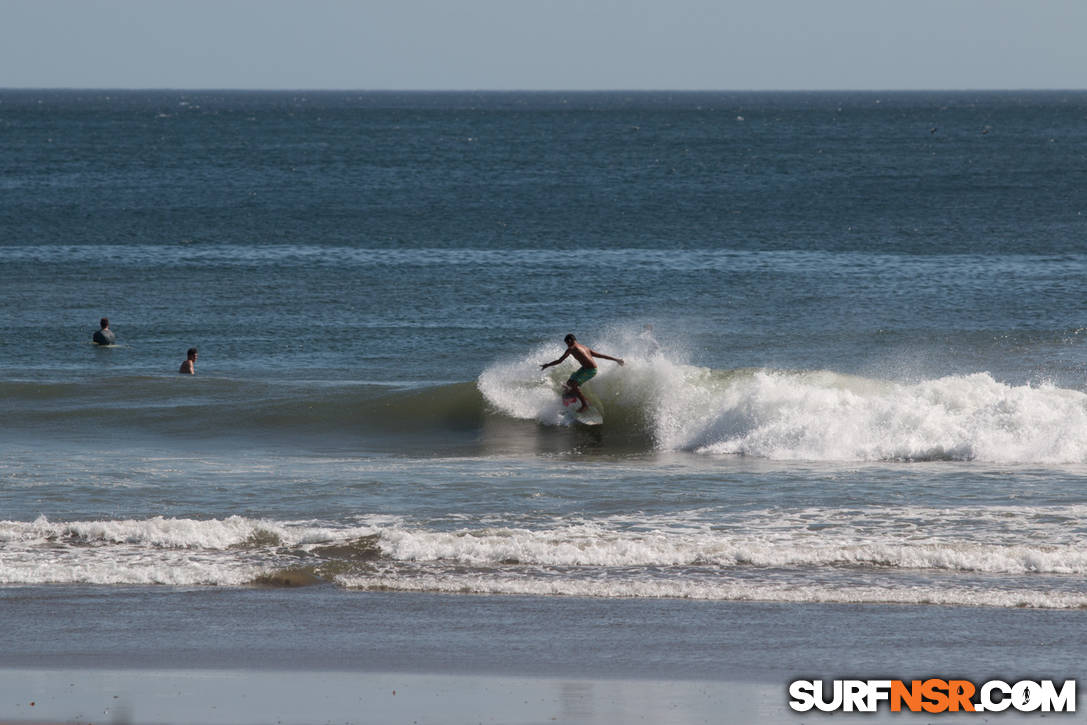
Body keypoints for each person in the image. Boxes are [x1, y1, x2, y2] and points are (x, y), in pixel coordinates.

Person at [540, 334, 624, 412]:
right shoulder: (584, 347)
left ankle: (584, 405)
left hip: (590, 370)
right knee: (569, 383)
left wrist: (547, 365)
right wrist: (616, 359)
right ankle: (574, 394)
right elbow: (601, 355)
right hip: (585, 368)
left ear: (569, 341)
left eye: (567, 343)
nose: (567, 345)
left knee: (573, 384)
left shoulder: (571, 348)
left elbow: (560, 360)